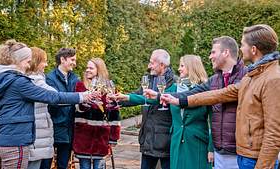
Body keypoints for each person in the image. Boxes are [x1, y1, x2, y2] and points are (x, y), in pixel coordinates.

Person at [160, 24, 280, 169]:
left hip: (254, 159)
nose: (240, 49)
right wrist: (180, 100)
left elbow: (274, 134)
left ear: (253, 49)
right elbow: (221, 94)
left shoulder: (273, 78)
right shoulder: (252, 75)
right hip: (243, 156)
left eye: (243, 45)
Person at [0, 40, 92, 169]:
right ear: (18, 60)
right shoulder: (18, 82)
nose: (28, 66)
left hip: (7, 136)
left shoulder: (3, 79)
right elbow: (52, 96)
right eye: (27, 62)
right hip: (17, 139)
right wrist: (83, 96)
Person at [145, 36, 246, 169]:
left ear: (226, 52)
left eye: (213, 52)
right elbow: (191, 94)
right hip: (221, 151)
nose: (210, 56)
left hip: (241, 151)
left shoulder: (247, 76)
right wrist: (159, 96)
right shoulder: (214, 80)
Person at [115, 55, 214, 169]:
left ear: (192, 68)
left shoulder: (205, 90)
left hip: (197, 143)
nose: (179, 69)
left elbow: (213, 122)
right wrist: (127, 97)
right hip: (176, 141)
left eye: (182, 66)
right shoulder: (174, 88)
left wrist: (211, 149)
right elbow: (154, 99)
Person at [120, 49, 174, 169]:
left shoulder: (174, 83)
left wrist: (128, 97)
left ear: (162, 65)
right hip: (148, 138)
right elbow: (138, 96)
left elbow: (157, 99)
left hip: (165, 140)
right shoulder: (149, 79)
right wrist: (118, 101)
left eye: (152, 62)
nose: (149, 66)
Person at [73, 58, 121, 169]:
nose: (87, 70)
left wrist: (114, 137)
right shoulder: (80, 85)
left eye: (91, 68)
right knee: (84, 167)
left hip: (101, 136)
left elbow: (115, 114)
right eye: (87, 67)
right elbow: (76, 108)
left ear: (99, 69)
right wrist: (86, 101)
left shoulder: (109, 87)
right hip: (83, 136)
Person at [42, 48, 79, 169]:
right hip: (53, 127)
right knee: (46, 164)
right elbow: (53, 102)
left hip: (69, 128)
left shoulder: (75, 78)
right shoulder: (49, 78)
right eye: (72, 60)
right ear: (62, 59)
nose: (74, 63)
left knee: (64, 165)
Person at [26, 47, 56, 169]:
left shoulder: (36, 78)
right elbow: (56, 96)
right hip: (37, 133)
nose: (46, 64)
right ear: (36, 62)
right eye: (44, 61)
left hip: (38, 133)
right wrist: (82, 97)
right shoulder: (35, 80)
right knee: (34, 164)